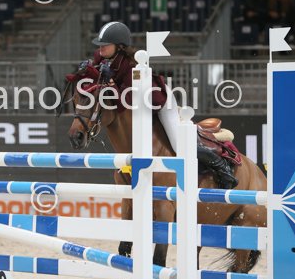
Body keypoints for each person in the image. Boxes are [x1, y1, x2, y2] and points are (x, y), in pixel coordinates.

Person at [89, 21, 238, 189]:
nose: (100, 48)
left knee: (179, 144)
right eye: (100, 44)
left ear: (119, 46)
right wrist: (86, 70)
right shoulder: (102, 57)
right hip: (137, 104)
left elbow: (126, 101)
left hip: (159, 101)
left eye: (105, 44)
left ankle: (221, 166)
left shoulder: (131, 66)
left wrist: (111, 82)